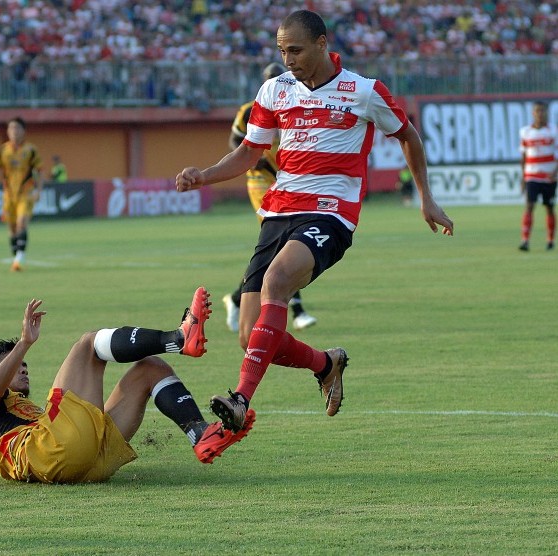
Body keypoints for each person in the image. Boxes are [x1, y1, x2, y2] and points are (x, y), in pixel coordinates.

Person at [175, 10, 454, 433]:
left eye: (296, 50)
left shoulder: (363, 91)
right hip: (278, 213)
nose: (288, 59)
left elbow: (408, 136)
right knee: (251, 336)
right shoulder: (274, 90)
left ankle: (240, 399)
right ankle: (326, 364)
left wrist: (426, 198)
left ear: (323, 44)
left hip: (331, 212)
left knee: (278, 281)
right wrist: (204, 175)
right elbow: (250, 152)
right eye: (281, 50)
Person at [0, 287, 257, 484]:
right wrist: (24, 344)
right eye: (13, 363)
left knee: (151, 369)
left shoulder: (25, 411)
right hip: (50, 451)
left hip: (85, 465)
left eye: (22, 363)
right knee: (87, 344)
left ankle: (199, 433)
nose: (23, 366)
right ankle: (180, 338)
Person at [222, 61, 317, 335]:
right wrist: (255, 161)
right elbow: (235, 141)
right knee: (286, 239)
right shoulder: (251, 109)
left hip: (287, 177)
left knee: (286, 245)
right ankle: (297, 311)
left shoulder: (300, 104)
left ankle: (238, 297)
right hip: (261, 180)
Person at [0, 117, 44, 272]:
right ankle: (16, 254)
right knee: (11, 229)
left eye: (17, 128)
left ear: (23, 131)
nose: (14, 132)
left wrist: (39, 190)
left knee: (21, 223)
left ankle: (19, 258)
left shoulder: (31, 150)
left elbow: (40, 171)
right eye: (11, 129)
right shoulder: (2, 150)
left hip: (26, 193)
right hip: (8, 195)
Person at [518, 100, 557, 252]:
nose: (540, 114)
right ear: (533, 113)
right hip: (531, 175)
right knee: (529, 206)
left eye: (543, 111)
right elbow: (523, 156)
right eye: (537, 111)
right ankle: (525, 240)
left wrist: (555, 171)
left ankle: (550, 240)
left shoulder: (554, 130)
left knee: (549, 208)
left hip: (549, 177)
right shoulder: (525, 132)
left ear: (547, 112)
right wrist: (523, 177)